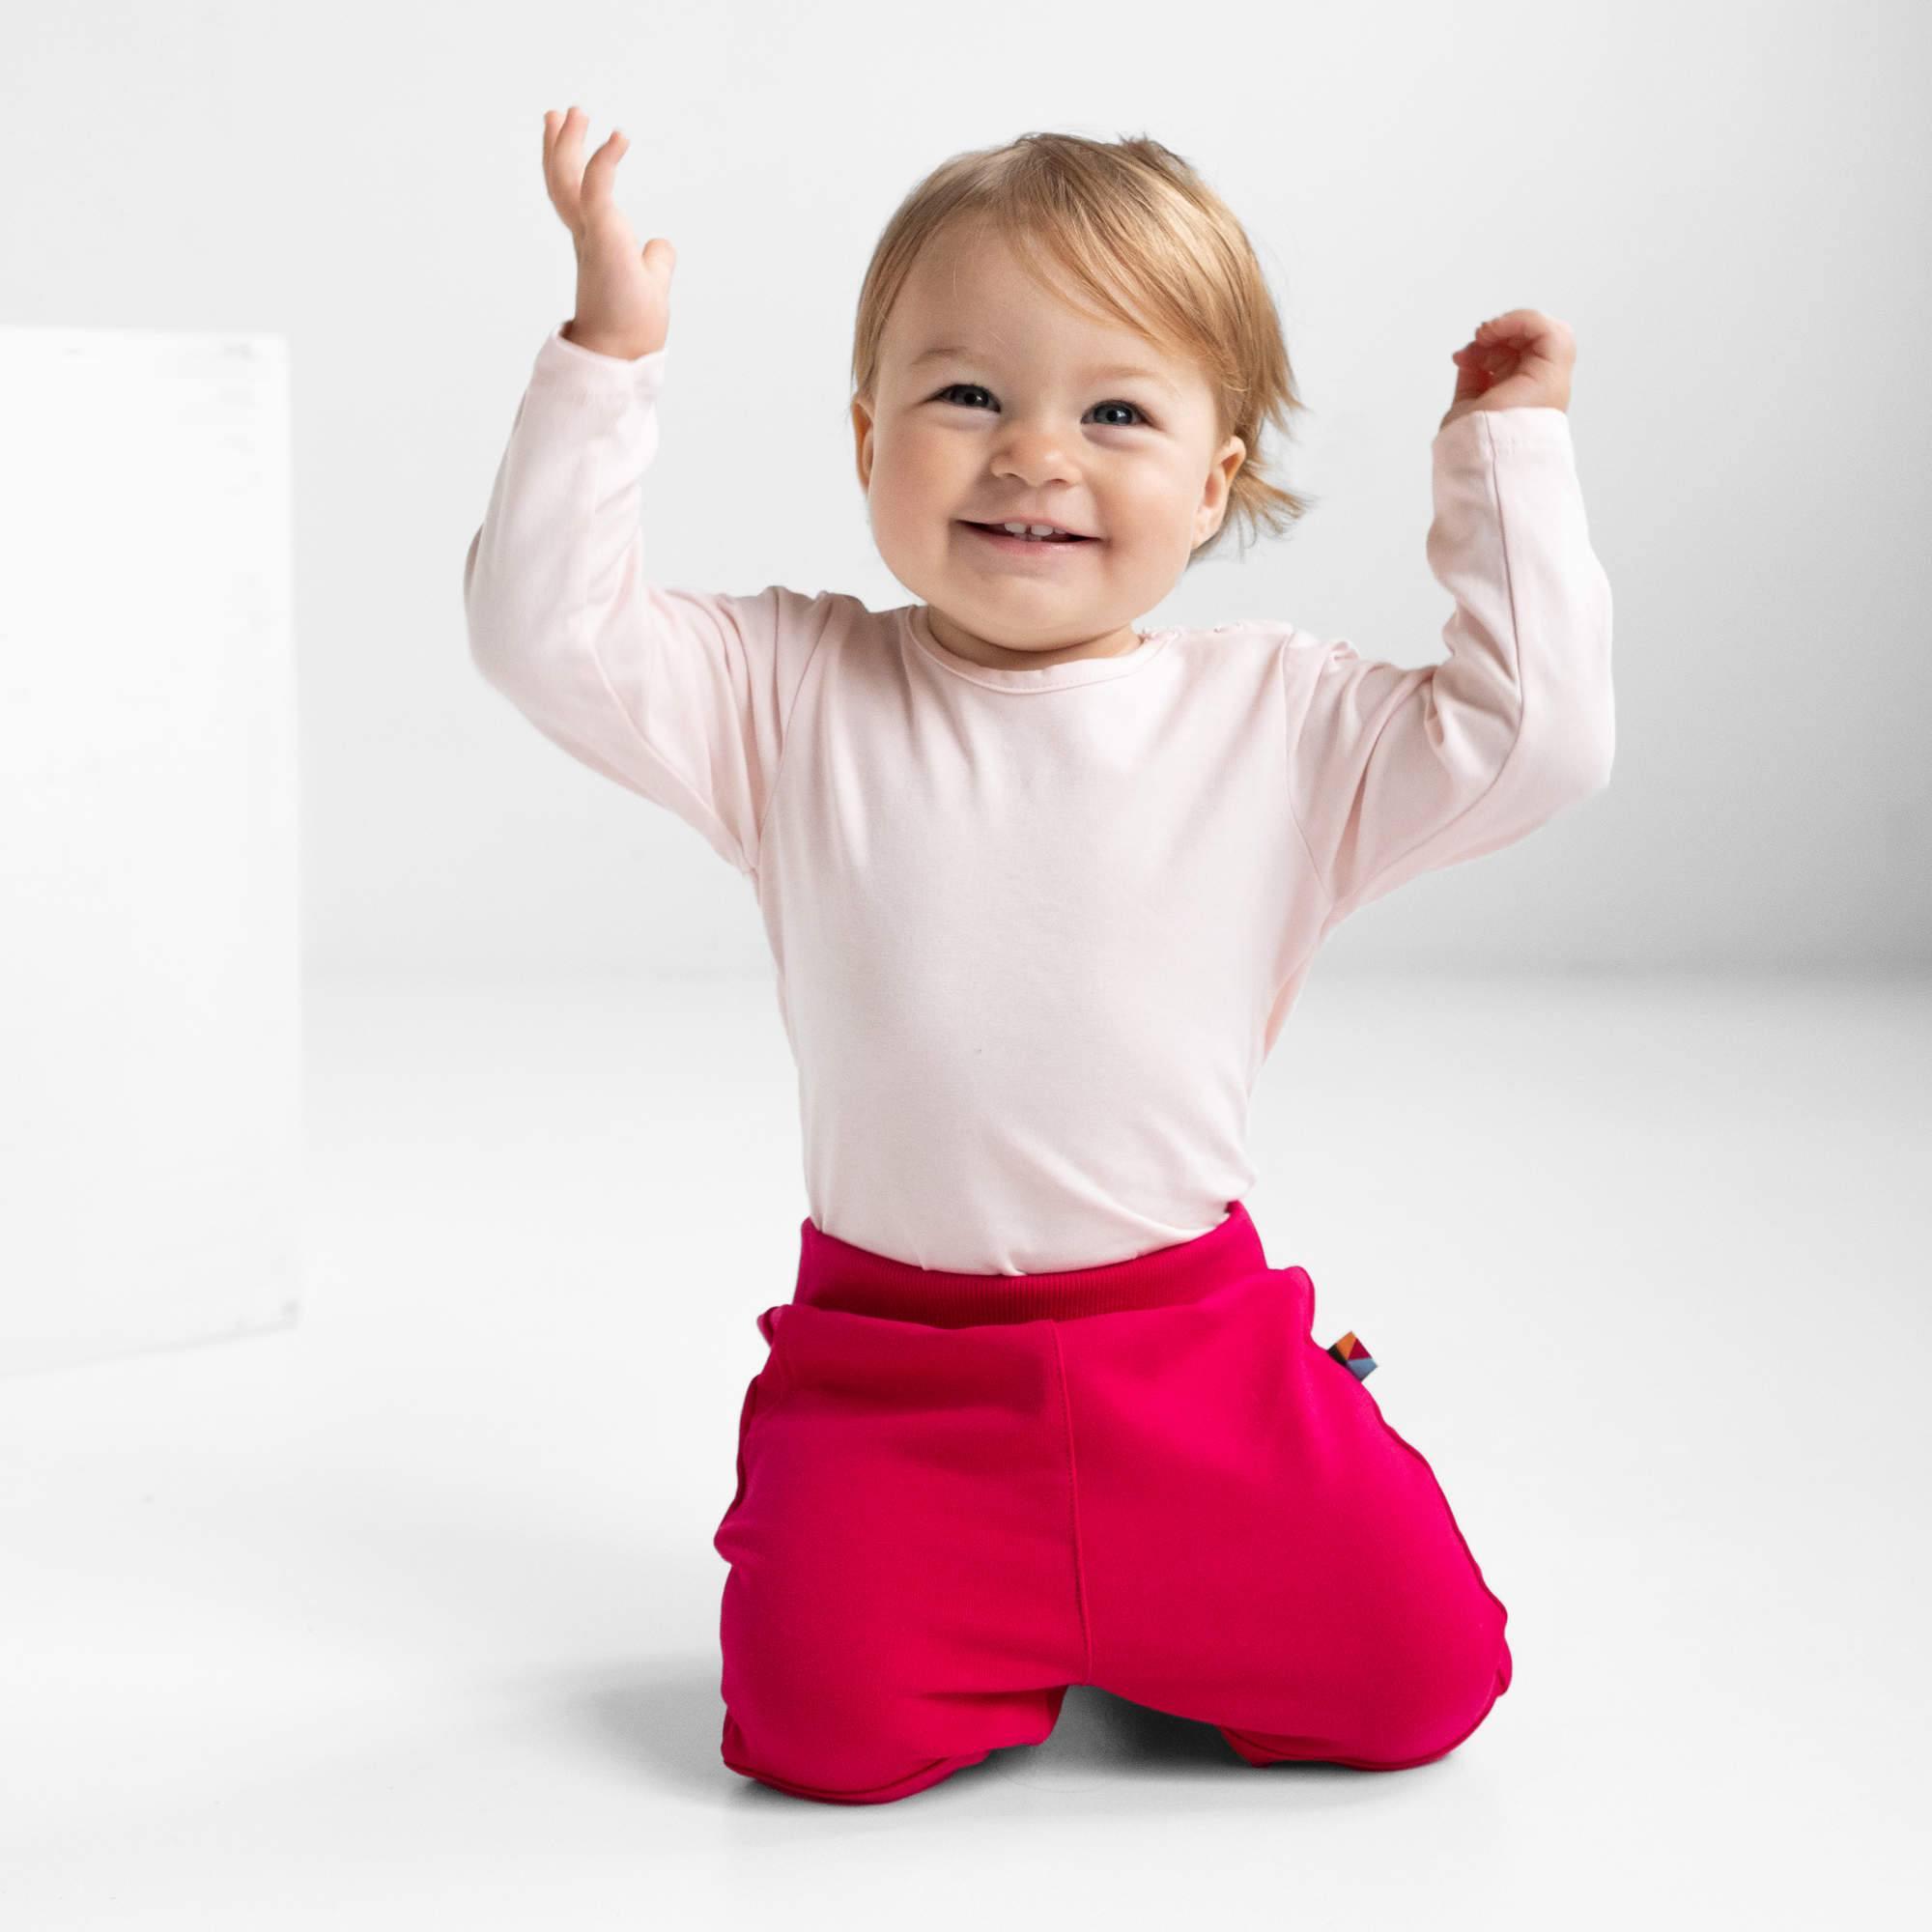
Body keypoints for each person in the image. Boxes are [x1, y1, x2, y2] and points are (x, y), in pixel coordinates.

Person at [463, 106, 1614, 1805]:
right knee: (814, 1745)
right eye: (967, 396)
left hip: (1195, 1360)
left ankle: (1298, 1443)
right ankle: (984, 1601)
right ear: (869, 439)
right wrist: (605, 357)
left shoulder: (1275, 721)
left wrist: (1504, 461)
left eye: (1119, 411)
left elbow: (1538, 743)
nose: (1035, 455)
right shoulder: (791, 692)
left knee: (1431, 1681)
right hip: (894, 1381)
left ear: (1217, 479)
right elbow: (542, 634)